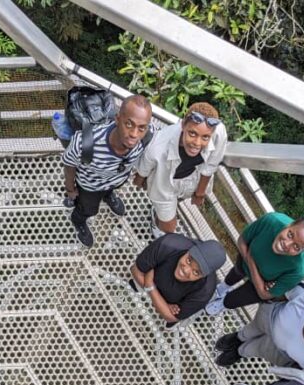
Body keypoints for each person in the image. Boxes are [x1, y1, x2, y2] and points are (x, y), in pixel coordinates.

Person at [62, 94, 153, 248]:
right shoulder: (85, 143)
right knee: (88, 209)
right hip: (90, 186)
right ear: (117, 119)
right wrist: (70, 189)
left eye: (141, 128)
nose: (134, 134)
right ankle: (78, 220)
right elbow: (69, 164)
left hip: (116, 179)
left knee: (111, 188)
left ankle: (108, 195)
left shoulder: (146, 138)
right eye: (129, 124)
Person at [133, 102, 227, 237]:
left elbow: (211, 165)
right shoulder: (158, 146)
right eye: (192, 133)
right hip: (165, 184)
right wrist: (140, 180)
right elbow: (144, 167)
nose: (197, 143)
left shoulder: (218, 131)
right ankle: (157, 219)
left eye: (205, 137)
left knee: (180, 199)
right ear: (183, 125)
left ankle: (168, 208)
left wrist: (200, 193)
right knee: (169, 229)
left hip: (193, 178)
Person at [214, 285, 304, 368]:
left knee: (255, 349)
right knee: (250, 329)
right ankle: (238, 337)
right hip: (270, 319)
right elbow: (285, 290)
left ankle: (240, 352)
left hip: (279, 350)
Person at [205, 212, 304, 313]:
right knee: (237, 271)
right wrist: (250, 261)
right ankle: (223, 287)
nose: (286, 244)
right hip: (253, 270)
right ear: (290, 224)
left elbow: (265, 295)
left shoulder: (299, 268)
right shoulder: (271, 221)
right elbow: (242, 240)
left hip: (259, 275)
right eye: (290, 234)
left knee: (236, 299)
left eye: (296, 247)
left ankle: (223, 304)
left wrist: (251, 261)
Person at [130, 234, 227, 327]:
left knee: (172, 321)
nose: (185, 270)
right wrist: (165, 306)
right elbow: (136, 271)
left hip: (150, 281)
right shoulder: (168, 244)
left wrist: (150, 285)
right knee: (135, 284)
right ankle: (136, 289)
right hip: (158, 294)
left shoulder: (205, 290)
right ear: (189, 251)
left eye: (196, 272)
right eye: (189, 260)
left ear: (204, 276)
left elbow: (171, 317)